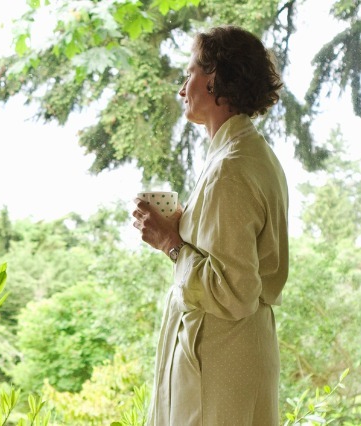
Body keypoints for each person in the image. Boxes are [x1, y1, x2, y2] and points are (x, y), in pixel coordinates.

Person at [131, 25, 289, 425]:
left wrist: (170, 243)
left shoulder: (229, 170)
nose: (183, 88)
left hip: (220, 365)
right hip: (236, 358)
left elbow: (235, 291)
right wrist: (185, 229)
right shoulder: (251, 155)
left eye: (190, 74)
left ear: (216, 77)